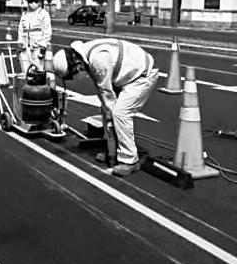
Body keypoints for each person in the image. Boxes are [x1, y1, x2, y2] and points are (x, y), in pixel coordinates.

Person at [52, 39, 159, 177]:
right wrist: (107, 113)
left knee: (120, 113)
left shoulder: (97, 61)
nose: (77, 74)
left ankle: (130, 160)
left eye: (75, 72)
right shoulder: (87, 56)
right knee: (106, 110)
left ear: (76, 63)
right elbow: (102, 90)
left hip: (142, 76)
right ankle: (112, 151)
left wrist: (110, 116)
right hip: (125, 75)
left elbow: (106, 92)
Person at [17, 0, 52, 74]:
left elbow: (47, 32)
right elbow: (21, 30)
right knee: (25, 72)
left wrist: (42, 45)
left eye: (35, 1)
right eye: (30, 1)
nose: (33, 4)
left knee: (37, 73)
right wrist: (20, 42)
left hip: (37, 48)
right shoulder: (24, 15)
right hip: (25, 48)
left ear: (39, 2)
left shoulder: (43, 14)